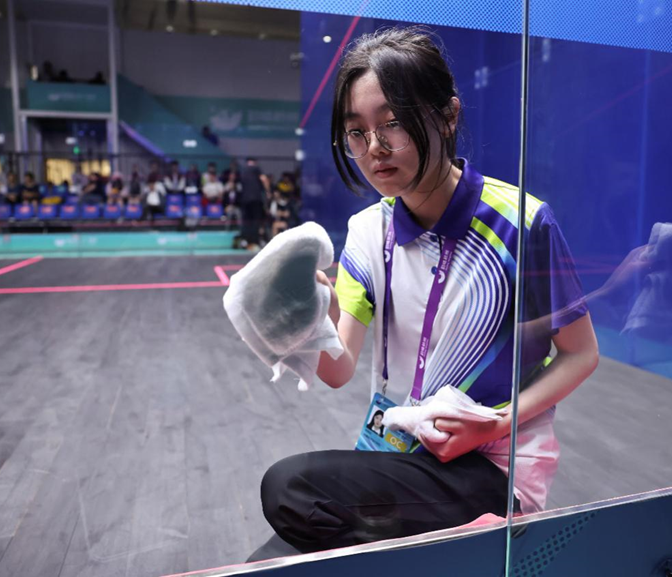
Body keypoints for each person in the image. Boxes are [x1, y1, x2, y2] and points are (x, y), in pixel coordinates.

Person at [251, 27, 599, 560]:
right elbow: (338, 370)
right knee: (277, 539)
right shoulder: (367, 232)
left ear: (448, 116)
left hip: (491, 468)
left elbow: (581, 354)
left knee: (290, 489)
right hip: (398, 455)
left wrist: (497, 423)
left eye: (392, 122)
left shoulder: (522, 224)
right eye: (357, 132)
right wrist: (308, 313)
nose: (374, 148)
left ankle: (467, 540)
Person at [240, 158, 270, 249]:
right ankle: (255, 241)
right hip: (256, 199)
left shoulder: (243, 170)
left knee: (247, 221)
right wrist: (268, 192)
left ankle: (246, 241)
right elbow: (264, 179)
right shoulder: (256, 168)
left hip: (245, 200)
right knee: (256, 220)